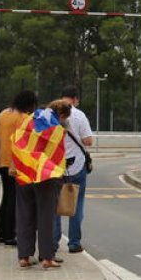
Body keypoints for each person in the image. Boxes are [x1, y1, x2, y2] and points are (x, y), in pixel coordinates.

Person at [14, 98, 67, 269]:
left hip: (24, 171)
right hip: (45, 176)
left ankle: (24, 256)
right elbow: (58, 154)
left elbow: (17, 141)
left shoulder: (29, 120)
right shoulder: (55, 127)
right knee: (46, 216)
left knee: (24, 215)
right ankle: (46, 257)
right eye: (64, 118)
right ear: (61, 114)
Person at [55, 86, 94, 253]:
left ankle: (53, 243)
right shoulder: (79, 115)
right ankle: (74, 243)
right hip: (76, 167)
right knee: (77, 205)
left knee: (54, 205)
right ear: (75, 99)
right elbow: (88, 141)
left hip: (55, 166)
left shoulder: (52, 114)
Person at [0, 91, 33, 246]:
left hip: (2, 160)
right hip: (15, 163)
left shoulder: (3, 114)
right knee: (13, 199)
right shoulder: (23, 118)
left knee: (6, 197)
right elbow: (24, 142)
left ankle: (3, 234)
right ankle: (11, 235)